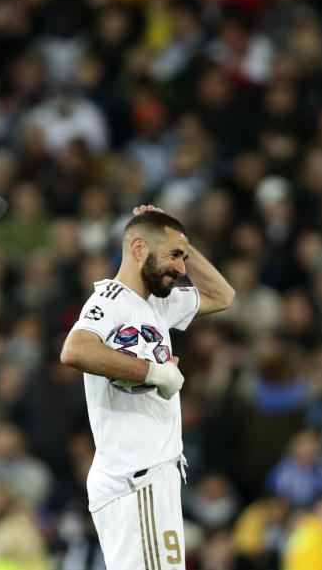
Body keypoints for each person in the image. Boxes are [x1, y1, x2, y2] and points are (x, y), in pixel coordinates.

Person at [59, 205, 235, 570]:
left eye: (183, 258)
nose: (182, 269)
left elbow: (223, 296)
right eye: (173, 256)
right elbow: (75, 350)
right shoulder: (110, 301)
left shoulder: (159, 303)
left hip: (152, 475)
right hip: (136, 477)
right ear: (138, 249)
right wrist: (153, 372)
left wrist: (182, 243)